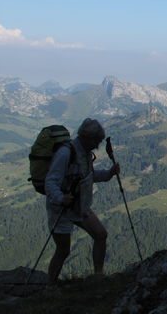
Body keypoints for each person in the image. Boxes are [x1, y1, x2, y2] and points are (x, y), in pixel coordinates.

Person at [44, 118, 120, 284]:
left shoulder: (85, 153)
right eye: (97, 141)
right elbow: (50, 181)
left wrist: (109, 174)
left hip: (80, 206)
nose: (98, 145)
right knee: (63, 250)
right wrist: (60, 198)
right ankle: (50, 285)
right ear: (88, 137)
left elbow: (88, 177)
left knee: (101, 235)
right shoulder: (65, 153)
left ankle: (98, 276)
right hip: (61, 209)